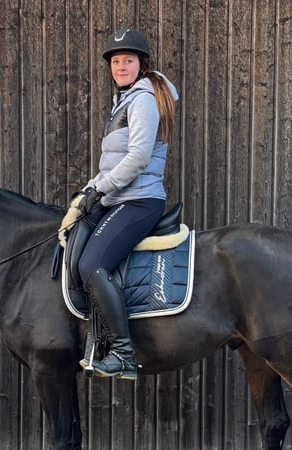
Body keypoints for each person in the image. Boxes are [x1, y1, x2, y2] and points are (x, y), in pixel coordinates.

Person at [77, 28, 179, 380]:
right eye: (116, 61)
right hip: (120, 196)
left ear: (141, 64)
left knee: (91, 264)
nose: (121, 66)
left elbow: (137, 159)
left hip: (140, 201)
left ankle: (121, 352)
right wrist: (87, 191)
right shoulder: (124, 100)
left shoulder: (144, 100)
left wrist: (100, 189)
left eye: (128, 60)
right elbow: (111, 164)